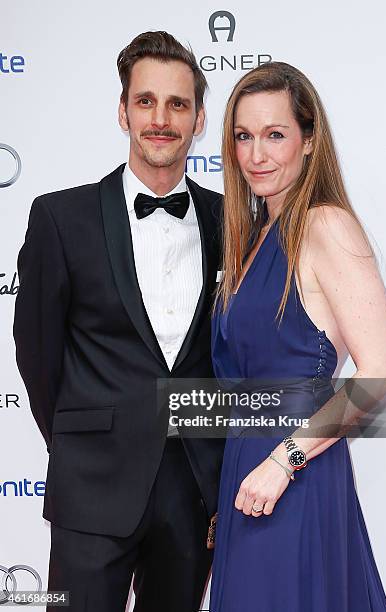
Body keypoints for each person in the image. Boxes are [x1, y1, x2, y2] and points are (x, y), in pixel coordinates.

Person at [13, 31, 225, 612]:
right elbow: (35, 351)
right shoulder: (60, 216)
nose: (161, 119)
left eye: (178, 104)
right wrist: (82, 440)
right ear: (123, 110)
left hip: (192, 492)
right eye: (146, 101)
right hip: (90, 493)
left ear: (199, 118)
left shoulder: (230, 221)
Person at [210, 62, 386, 611]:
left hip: (296, 474)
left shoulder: (325, 225)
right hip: (246, 474)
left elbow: (381, 373)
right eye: (243, 137)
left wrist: (283, 460)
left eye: (275, 135)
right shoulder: (251, 237)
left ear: (309, 140)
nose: (256, 155)